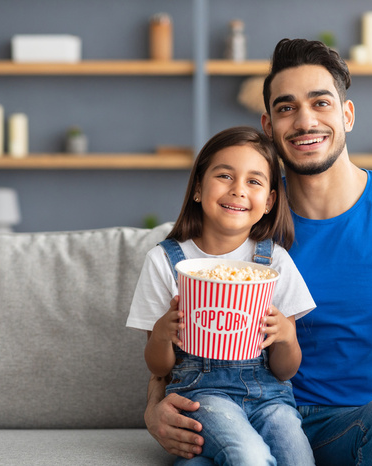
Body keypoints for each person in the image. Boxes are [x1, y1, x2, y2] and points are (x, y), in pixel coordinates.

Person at [145, 38, 372, 465]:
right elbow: (177, 314)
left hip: (352, 426)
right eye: (286, 107)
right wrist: (153, 408)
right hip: (244, 416)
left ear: (346, 115)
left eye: (321, 103)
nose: (305, 121)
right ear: (269, 127)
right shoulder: (246, 208)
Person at [127, 126, 316, 465]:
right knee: (249, 456)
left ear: (270, 201)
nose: (238, 190)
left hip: (271, 398)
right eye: (225, 175)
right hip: (202, 395)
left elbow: (286, 371)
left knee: (297, 455)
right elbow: (158, 367)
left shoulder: (274, 262)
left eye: (254, 182)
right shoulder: (166, 261)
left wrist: (286, 337)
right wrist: (161, 334)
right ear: (198, 188)